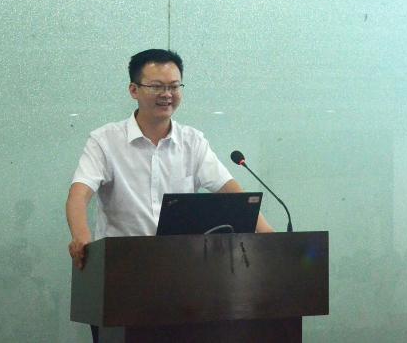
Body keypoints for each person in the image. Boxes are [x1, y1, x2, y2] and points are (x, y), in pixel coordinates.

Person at [66, 48, 274, 269]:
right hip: (121, 264)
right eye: (156, 86)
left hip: (182, 264)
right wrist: (81, 236)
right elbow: (79, 195)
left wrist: (269, 235)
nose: (167, 94)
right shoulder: (105, 140)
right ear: (134, 90)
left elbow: (230, 192)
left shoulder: (192, 141)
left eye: (174, 86)